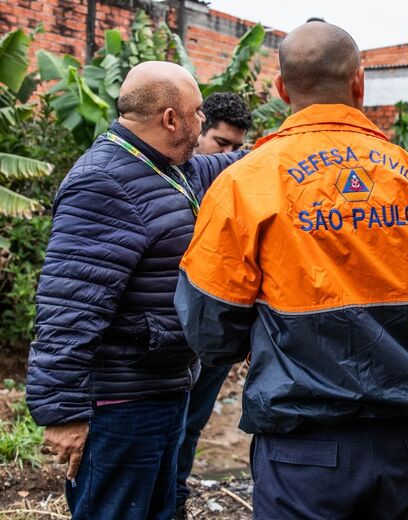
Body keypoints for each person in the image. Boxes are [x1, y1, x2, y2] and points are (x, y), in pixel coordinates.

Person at [174, 22, 408, 520]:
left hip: (300, 446)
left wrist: (271, 344)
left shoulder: (245, 182)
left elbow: (208, 324)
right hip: (402, 441)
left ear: (282, 89)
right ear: (359, 83)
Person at [26, 61, 246, 520]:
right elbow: (69, 306)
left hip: (162, 387)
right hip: (122, 402)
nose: (203, 121)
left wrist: (298, 143)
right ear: (171, 118)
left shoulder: (169, 168)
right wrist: (62, 414)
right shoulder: (103, 182)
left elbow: (230, 166)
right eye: (198, 112)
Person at [175, 92, 253, 519]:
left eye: (237, 147)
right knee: (168, 423)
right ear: (197, 135)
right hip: (169, 329)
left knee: (191, 425)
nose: (230, 155)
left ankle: (175, 499)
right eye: (221, 144)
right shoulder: (175, 181)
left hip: (212, 331)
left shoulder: (239, 187)